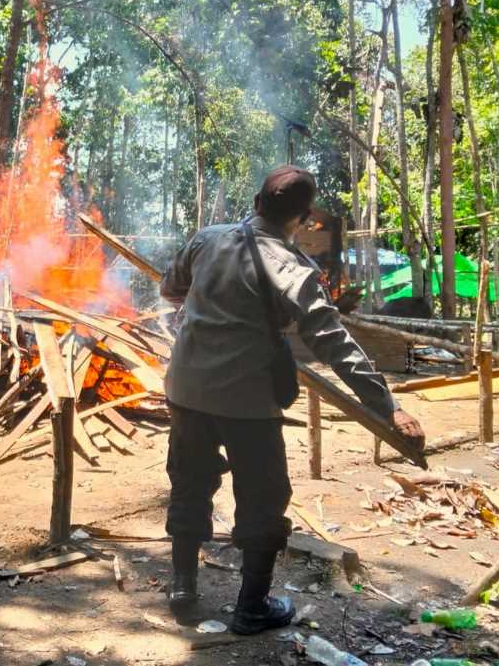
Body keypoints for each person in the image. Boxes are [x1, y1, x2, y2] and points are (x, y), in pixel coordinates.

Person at [159, 165, 425, 634]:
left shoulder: (207, 239)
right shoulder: (296, 270)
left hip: (186, 390)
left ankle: (183, 589)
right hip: (247, 401)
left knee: (189, 482)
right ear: (304, 219)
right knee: (263, 499)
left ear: (256, 203)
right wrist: (390, 406)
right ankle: (251, 608)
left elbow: (170, 288)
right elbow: (336, 346)